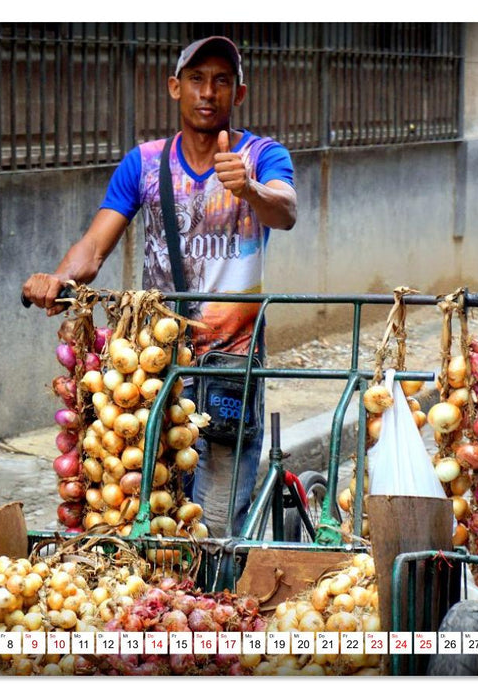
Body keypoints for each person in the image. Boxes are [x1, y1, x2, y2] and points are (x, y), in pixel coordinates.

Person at [23, 36, 297, 537]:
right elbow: (95, 246)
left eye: (221, 81)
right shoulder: (145, 163)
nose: (207, 92)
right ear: (175, 87)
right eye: (196, 79)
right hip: (156, 365)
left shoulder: (261, 155)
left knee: (216, 526)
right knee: (148, 513)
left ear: (238, 93)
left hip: (231, 365)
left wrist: (248, 188)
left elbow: (285, 211)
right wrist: (59, 279)